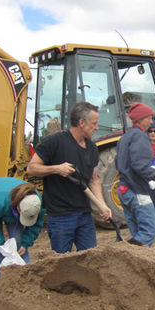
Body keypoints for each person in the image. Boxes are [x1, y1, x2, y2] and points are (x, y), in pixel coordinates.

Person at [27, 102, 111, 253]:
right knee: (62, 262)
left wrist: (102, 205)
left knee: (90, 258)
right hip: (61, 217)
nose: (97, 127)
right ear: (81, 123)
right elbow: (31, 168)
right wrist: (56, 169)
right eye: (94, 123)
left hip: (84, 215)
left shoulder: (92, 148)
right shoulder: (55, 142)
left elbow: (93, 180)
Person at [116, 102, 155, 246]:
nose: (151, 122)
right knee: (150, 231)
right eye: (149, 118)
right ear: (140, 119)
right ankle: (127, 252)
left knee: (137, 230)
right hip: (137, 189)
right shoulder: (140, 137)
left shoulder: (125, 137)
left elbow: (119, 162)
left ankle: (134, 261)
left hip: (124, 189)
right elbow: (139, 166)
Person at [0, 177, 45, 277]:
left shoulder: (37, 204)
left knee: (19, 240)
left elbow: (35, 225)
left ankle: (25, 273)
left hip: (7, 202)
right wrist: (1, 245)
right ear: (18, 207)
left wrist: (25, 243)